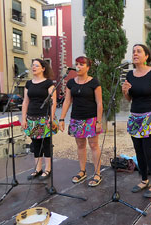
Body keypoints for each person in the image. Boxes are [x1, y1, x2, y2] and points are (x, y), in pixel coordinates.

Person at [122, 44, 151, 198]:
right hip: (135, 116)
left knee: (148, 151)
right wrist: (125, 91)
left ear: (146, 56)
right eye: (133, 51)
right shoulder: (130, 75)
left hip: (150, 117)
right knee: (138, 150)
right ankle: (144, 179)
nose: (135, 54)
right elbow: (129, 98)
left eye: (139, 51)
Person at [59, 56, 103, 187]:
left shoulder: (94, 82)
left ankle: (97, 173)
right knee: (80, 146)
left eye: (81, 64)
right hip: (76, 118)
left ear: (88, 67)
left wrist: (99, 121)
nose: (78, 66)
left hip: (91, 118)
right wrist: (62, 118)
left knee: (94, 146)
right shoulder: (71, 83)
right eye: (77, 64)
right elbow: (67, 101)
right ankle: (82, 171)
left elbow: (99, 102)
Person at [22, 59, 57, 181]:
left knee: (46, 144)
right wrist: (23, 119)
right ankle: (37, 169)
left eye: (36, 65)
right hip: (31, 118)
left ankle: (48, 169)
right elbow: (25, 102)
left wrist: (51, 118)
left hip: (44, 118)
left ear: (43, 68)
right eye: (32, 65)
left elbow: (54, 102)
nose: (33, 67)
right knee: (35, 144)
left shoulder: (49, 84)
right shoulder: (28, 84)